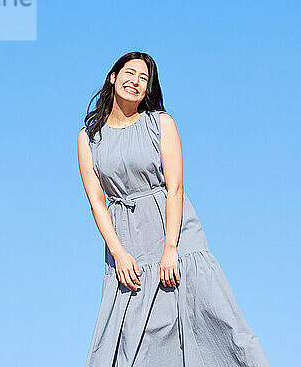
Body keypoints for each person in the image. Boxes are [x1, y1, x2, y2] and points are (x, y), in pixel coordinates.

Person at [77, 51, 270, 366]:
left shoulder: (161, 123)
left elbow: (176, 187)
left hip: (175, 233)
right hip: (127, 242)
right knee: (138, 341)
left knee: (217, 321)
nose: (135, 82)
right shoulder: (89, 138)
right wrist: (119, 252)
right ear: (113, 77)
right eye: (130, 73)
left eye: (144, 78)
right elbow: (97, 201)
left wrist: (171, 248)